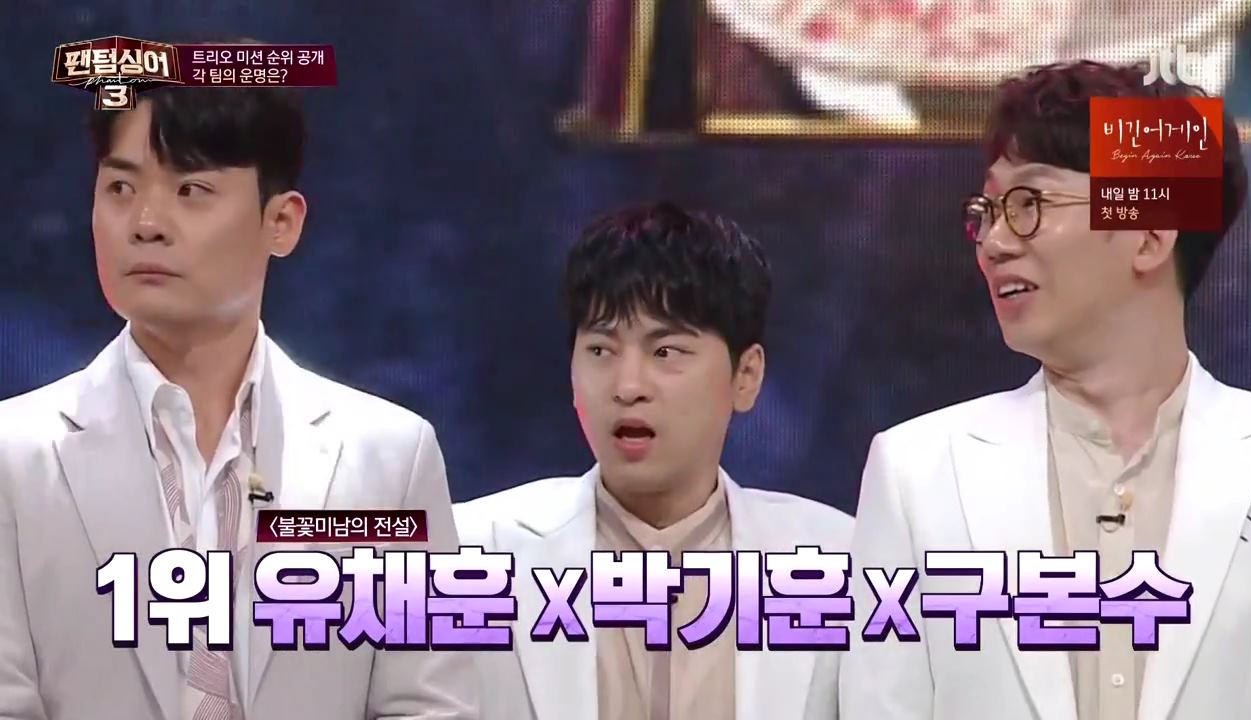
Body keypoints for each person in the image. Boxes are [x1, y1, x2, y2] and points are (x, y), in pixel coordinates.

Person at [0, 86, 476, 719]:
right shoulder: (14, 459)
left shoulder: (390, 459)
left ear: (281, 222)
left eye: (190, 190)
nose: (145, 222)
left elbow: (430, 705)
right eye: (120, 188)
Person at [841, 59, 1251, 719]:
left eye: (1029, 204)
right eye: (987, 211)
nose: (993, 243)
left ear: (1150, 234)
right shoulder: (918, 472)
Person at [454, 203, 856, 720]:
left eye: (665, 352)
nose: (627, 387)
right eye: (601, 351)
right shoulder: (470, 554)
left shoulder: (841, 562)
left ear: (746, 376)